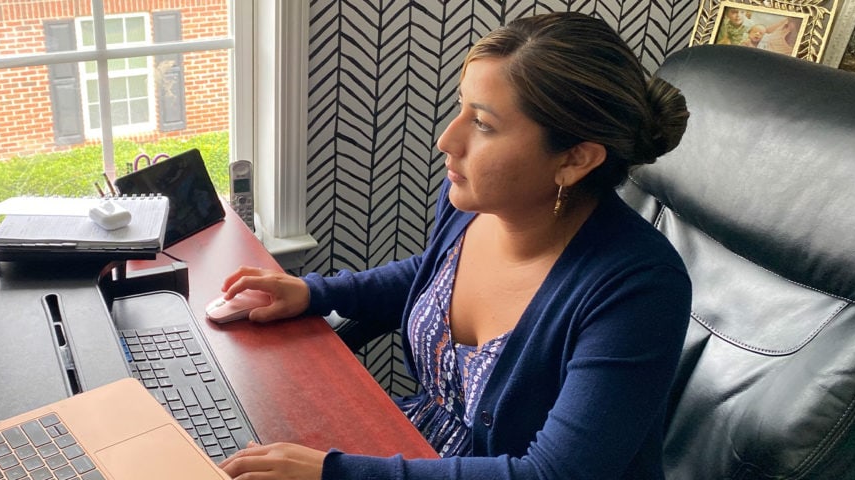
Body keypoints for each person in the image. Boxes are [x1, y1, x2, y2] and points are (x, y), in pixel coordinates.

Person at [216, 11, 692, 480]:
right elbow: (434, 272)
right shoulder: (473, 202)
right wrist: (317, 292)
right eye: (461, 106)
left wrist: (333, 474)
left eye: (483, 123)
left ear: (575, 158)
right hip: (410, 448)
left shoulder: (640, 289)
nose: (447, 139)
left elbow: (554, 473)